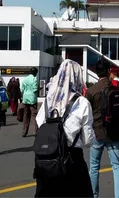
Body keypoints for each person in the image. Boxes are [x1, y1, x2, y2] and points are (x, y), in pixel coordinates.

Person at [35, 59, 95, 197]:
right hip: (71, 158)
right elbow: (87, 140)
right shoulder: (81, 102)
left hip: (46, 159)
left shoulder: (48, 101)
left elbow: (39, 124)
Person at [86, 60, 119, 198]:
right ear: (109, 71)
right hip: (114, 132)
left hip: (97, 132)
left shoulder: (91, 91)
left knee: (94, 167)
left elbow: (87, 113)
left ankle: (94, 195)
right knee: (117, 166)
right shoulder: (118, 88)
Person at [21, 67, 39, 137]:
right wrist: (38, 89)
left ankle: (24, 132)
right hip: (32, 99)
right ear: (35, 73)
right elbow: (34, 90)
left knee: (26, 115)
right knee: (34, 115)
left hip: (25, 99)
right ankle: (35, 131)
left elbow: (22, 89)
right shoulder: (34, 79)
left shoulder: (25, 79)